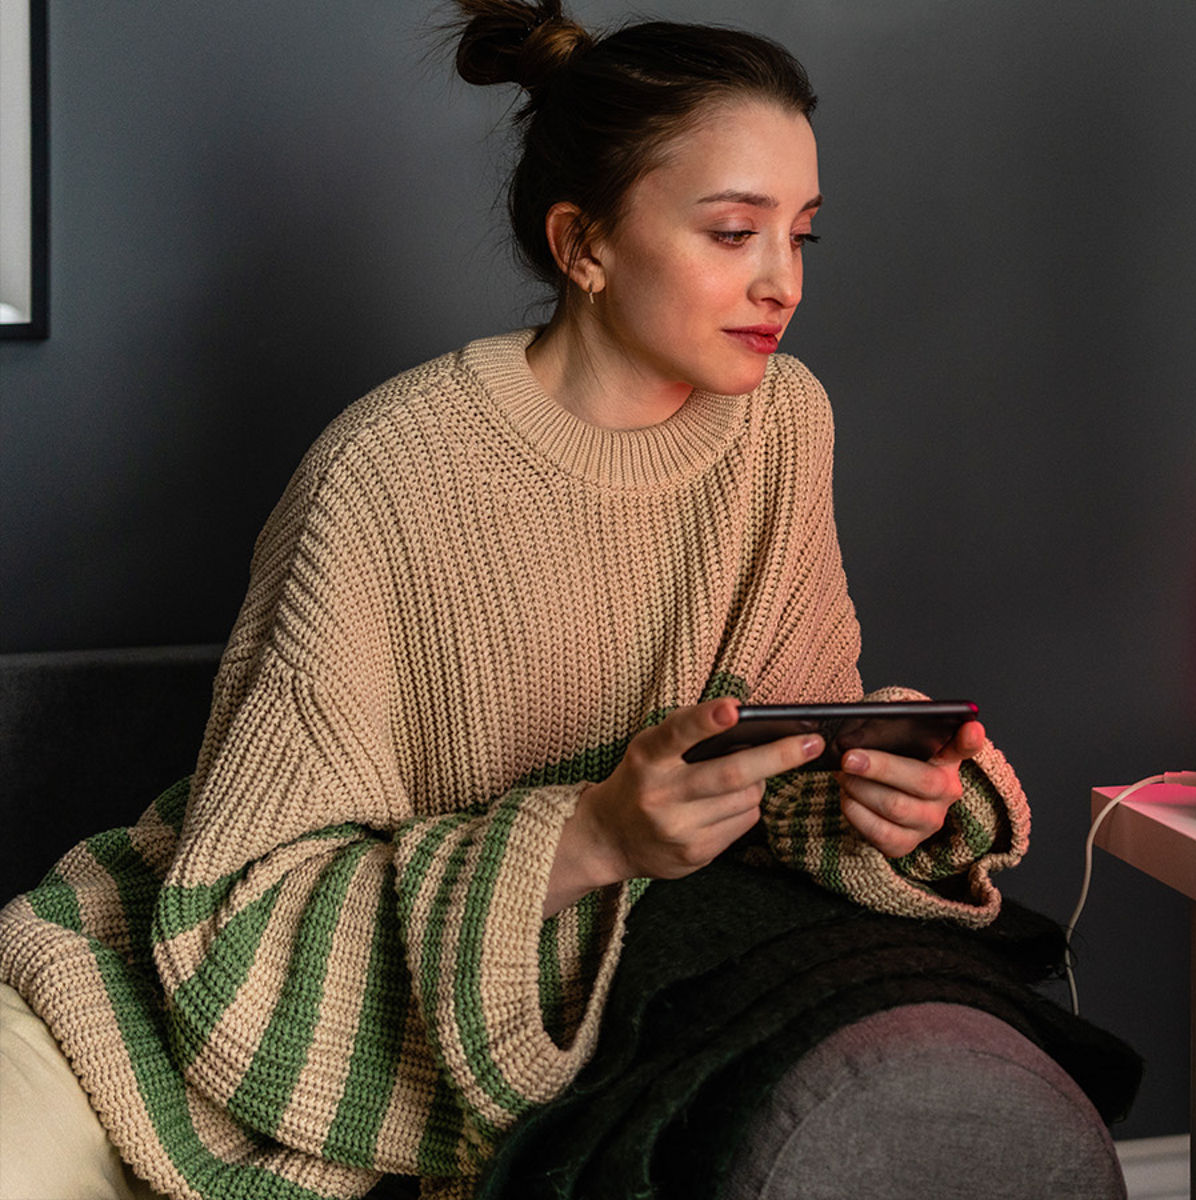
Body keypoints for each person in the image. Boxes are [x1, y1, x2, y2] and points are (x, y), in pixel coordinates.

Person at [0, 5, 1134, 1197]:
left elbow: (782, 762)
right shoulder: (385, 470)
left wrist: (878, 806)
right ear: (580, 246)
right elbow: (241, 910)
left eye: (801, 236)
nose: (779, 282)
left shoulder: (781, 424)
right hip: (145, 1009)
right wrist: (590, 836)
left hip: (581, 999)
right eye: (733, 232)